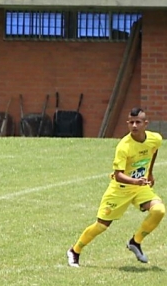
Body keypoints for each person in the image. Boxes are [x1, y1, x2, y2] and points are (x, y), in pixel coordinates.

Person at [67, 108, 164, 267]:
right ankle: (74, 250)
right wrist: (135, 181)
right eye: (131, 122)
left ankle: (135, 241)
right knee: (101, 226)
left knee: (159, 210)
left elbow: (153, 151)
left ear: (146, 124)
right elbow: (118, 174)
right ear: (127, 123)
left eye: (138, 122)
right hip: (120, 189)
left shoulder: (155, 139)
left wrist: (150, 173)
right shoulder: (123, 146)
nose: (134, 125)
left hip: (139, 188)